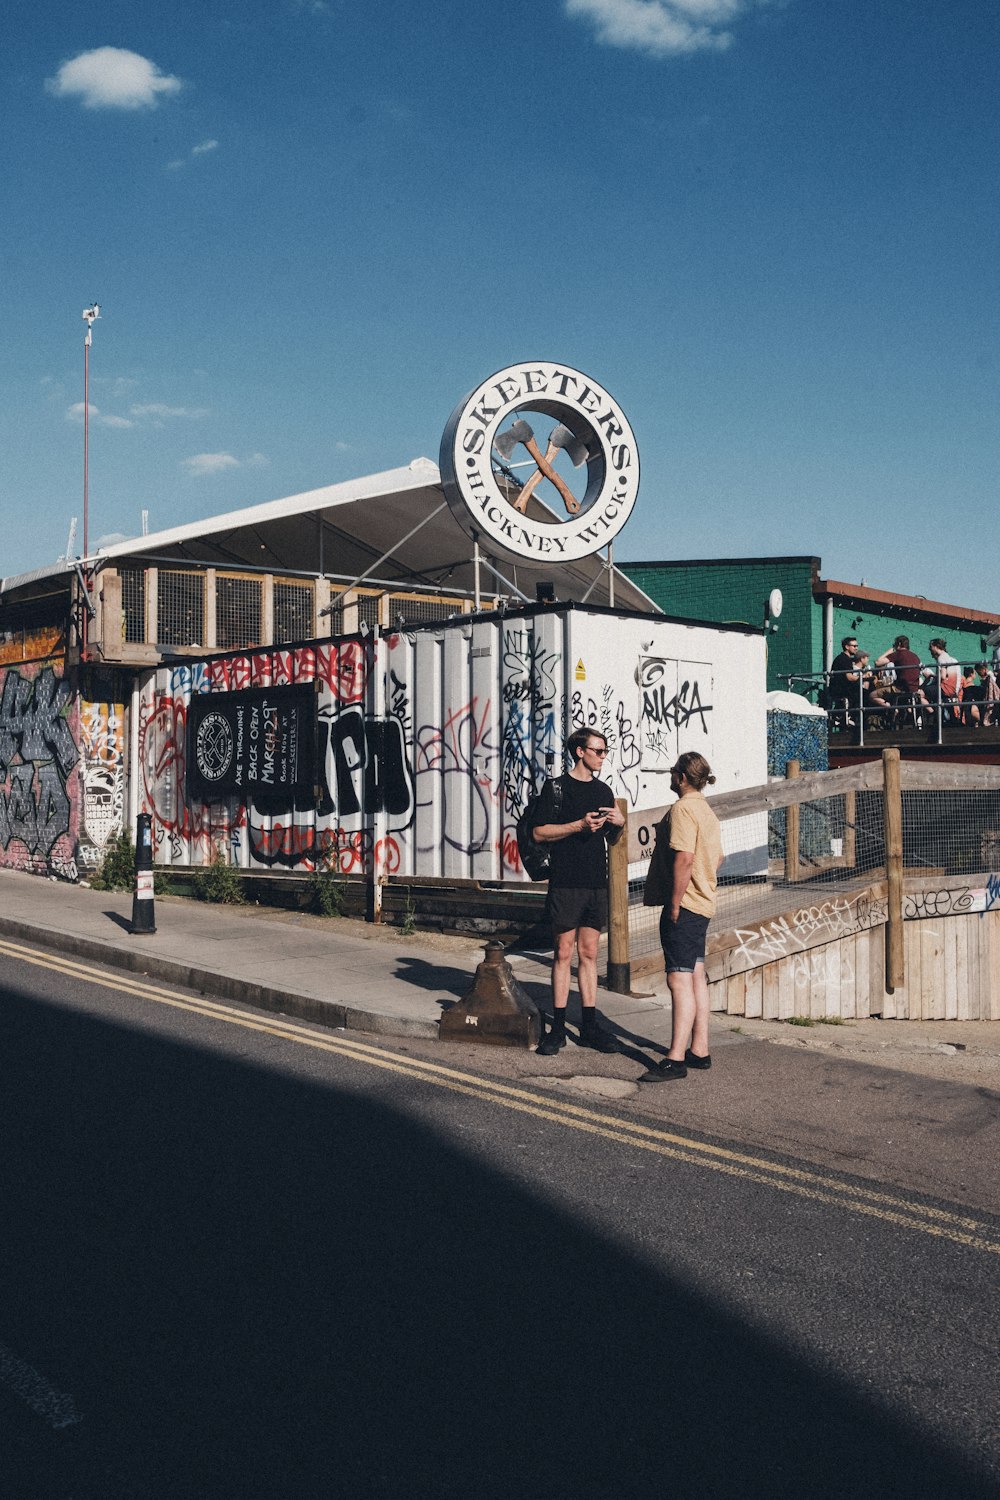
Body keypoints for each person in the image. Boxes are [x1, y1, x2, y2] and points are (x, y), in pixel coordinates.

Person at [532, 729, 626, 1056]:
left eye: (605, 751)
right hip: (566, 881)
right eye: (598, 751)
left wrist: (619, 821)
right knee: (562, 953)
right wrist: (578, 826)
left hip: (595, 883)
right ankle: (557, 1029)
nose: (603, 756)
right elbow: (540, 832)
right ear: (579, 751)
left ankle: (588, 1027)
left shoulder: (603, 790)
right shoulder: (556, 788)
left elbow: (613, 838)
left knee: (589, 954)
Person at [638, 752, 724, 1083]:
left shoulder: (684, 809)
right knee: (696, 974)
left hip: (686, 905)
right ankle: (699, 1050)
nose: (671, 776)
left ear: (682, 778)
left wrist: (674, 903)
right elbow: (717, 858)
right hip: (704, 903)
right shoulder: (707, 810)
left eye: (674, 772)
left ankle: (675, 1059)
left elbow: (684, 859)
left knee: (678, 978)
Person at [875, 635, 928, 725]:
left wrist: (890, 650)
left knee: (872, 695)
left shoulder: (897, 655)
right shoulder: (915, 656)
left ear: (899, 644)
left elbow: (878, 662)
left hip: (900, 688)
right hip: (913, 688)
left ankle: (892, 709)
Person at [923, 638, 962, 723]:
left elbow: (943, 676)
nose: (930, 649)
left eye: (931, 647)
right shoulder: (949, 657)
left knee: (922, 692)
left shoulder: (941, 658)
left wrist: (931, 675)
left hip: (945, 688)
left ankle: (932, 713)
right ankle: (938, 715)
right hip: (951, 689)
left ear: (936, 646)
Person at [826, 636, 861, 728]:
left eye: (857, 646)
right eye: (854, 646)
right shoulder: (844, 659)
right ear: (847, 646)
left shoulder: (843, 658)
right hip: (840, 689)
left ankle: (840, 716)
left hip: (838, 688)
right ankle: (850, 718)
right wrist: (862, 677)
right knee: (863, 693)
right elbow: (849, 677)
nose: (856, 648)